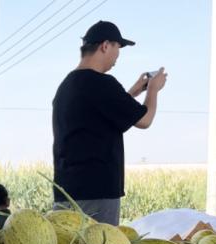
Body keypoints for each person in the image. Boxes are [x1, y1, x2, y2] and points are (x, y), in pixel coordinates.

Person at [52, 21, 167, 225]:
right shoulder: (102, 83)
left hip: (66, 190)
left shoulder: (68, 85)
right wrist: (153, 90)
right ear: (105, 46)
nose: (117, 57)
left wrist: (133, 92)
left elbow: (107, 111)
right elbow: (144, 119)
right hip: (97, 192)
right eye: (117, 48)